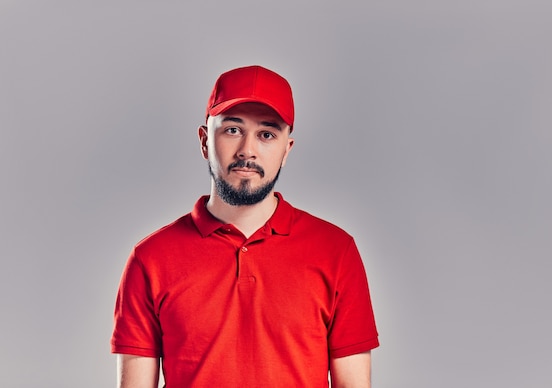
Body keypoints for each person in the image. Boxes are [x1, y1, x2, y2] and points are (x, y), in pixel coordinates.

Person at [111, 65, 379, 387]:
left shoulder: (336, 252)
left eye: (266, 134)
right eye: (232, 130)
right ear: (204, 142)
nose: (247, 151)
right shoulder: (150, 260)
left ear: (286, 151)